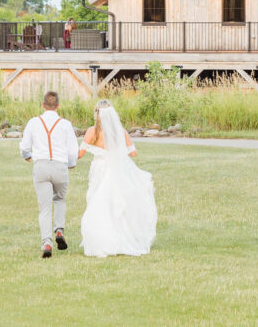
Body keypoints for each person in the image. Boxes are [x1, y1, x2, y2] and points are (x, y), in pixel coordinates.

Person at [77, 100, 157, 257]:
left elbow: (80, 154)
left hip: (100, 169)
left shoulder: (92, 132)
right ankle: (119, 238)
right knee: (115, 204)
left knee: (98, 201)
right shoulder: (121, 132)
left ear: (97, 114)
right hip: (115, 170)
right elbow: (133, 153)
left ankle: (102, 240)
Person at [19, 91, 79, 258]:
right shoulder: (65, 124)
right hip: (60, 166)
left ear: (43, 105)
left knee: (44, 208)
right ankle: (59, 230)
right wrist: (71, 164)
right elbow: (73, 150)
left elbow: (24, 147)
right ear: (58, 106)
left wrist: (29, 157)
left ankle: (46, 242)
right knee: (60, 199)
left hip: (41, 166)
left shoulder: (33, 122)